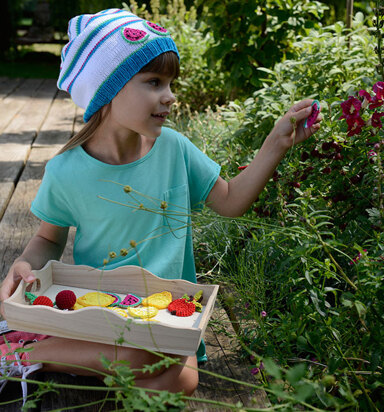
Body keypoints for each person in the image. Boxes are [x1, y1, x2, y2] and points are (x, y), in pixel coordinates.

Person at [0, 8, 321, 402]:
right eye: (153, 82)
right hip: (101, 314)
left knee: (184, 380)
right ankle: (24, 354)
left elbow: (231, 200)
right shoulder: (66, 170)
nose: (170, 96)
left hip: (169, 316)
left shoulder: (175, 149)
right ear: (107, 89)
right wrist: (25, 265)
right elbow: (48, 239)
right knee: (144, 357)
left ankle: (55, 360)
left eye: (170, 82)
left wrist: (276, 142)